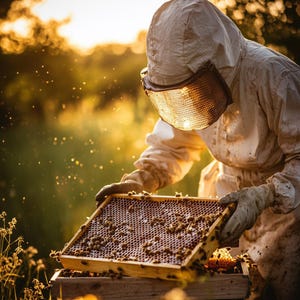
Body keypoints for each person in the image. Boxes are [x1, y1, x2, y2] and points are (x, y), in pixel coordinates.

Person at [96, 0, 300, 299]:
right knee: (219, 290)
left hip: (288, 214)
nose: (189, 97)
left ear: (218, 65)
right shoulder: (192, 87)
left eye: (192, 87)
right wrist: (142, 180)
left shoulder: (276, 77)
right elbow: (175, 144)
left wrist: (264, 195)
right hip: (223, 197)